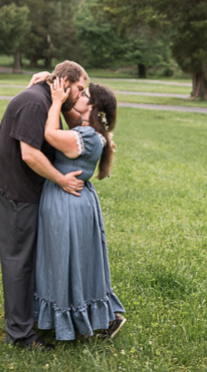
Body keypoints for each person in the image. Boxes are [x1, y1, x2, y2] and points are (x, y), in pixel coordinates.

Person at [0, 60, 88, 350]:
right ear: (66, 80)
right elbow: (29, 154)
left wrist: (59, 92)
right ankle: (20, 336)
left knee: (27, 259)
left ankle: (26, 321)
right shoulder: (34, 103)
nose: (81, 95)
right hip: (17, 192)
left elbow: (76, 127)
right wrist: (61, 180)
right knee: (19, 261)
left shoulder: (46, 97)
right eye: (79, 88)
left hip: (26, 190)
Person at [34, 79, 126, 341]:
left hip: (69, 202)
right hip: (74, 199)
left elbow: (50, 135)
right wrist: (57, 91)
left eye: (84, 93)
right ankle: (84, 318)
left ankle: (81, 320)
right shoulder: (87, 128)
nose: (80, 95)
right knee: (73, 259)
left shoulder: (86, 137)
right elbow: (69, 114)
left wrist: (54, 101)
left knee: (67, 259)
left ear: (93, 105)